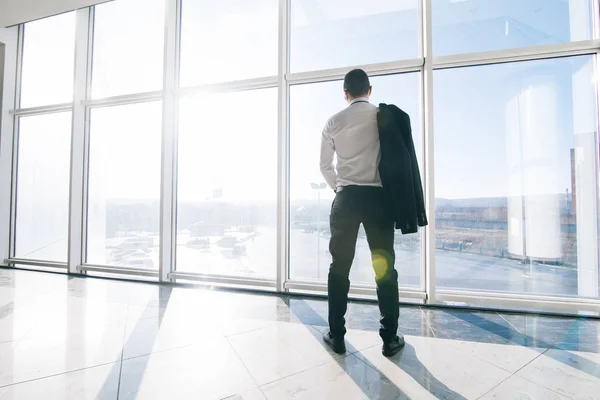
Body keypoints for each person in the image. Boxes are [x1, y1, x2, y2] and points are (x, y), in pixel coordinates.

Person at [320, 69, 404, 357]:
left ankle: (337, 335)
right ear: (370, 89)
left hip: (346, 200)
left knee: (339, 268)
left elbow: (324, 166)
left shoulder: (333, 122)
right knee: (384, 271)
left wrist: (339, 189)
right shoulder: (382, 116)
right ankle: (390, 339)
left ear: (345, 93)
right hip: (378, 201)